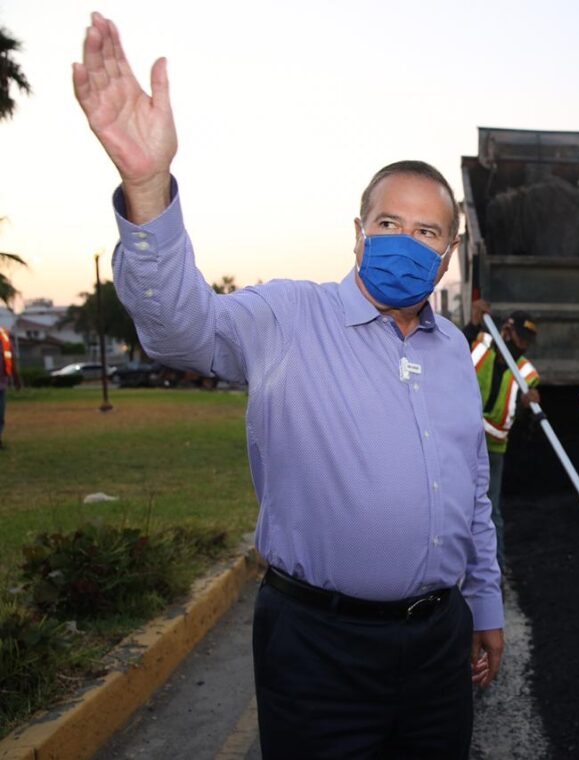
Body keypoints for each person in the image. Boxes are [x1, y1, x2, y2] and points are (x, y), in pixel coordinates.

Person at [73, 13, 501, 758]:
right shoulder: (286, 317)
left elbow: (471, 492)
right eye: (389, 222)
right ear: (359, 231)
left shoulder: (451, 354)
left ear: (450, 253)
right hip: (318, 650)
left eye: (428, 232)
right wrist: (148, 188)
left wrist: (484, 604)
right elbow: (179, 328)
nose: (406, 241)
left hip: (438, 644)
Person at [462, 299, 540, 568]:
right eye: (521, 338)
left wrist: (529, 403)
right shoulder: (481, 344)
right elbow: (456, 349)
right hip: (463, 439)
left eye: (527, 341)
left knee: (491, 511)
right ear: (507, 330)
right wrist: (474, 322)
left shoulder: (527, 371)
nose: (523, 345)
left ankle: (494, 570)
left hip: (494, 447)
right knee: (455, 504)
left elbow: (521, 404)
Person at [0, 325, 22, 449]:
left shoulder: (5, 339)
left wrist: (16, 378)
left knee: (0, 414)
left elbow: (11, 360)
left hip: (2, 384)